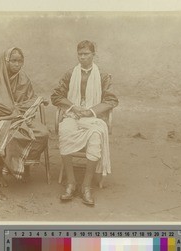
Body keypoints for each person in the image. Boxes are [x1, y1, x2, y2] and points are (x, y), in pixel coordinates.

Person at [0, 47, 49, 199]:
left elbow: (29, 99)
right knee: (0, 135)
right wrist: (8, 108)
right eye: (13, 60)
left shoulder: (24, 79)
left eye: (20, 61)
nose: (17, 64)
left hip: (20, 117)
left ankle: (25, 166)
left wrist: (28, 106)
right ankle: (2, 170)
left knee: (42, 133)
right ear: (6, 61)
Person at [51, 40, 118, 206]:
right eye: (80, 54)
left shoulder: (102, 75)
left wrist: (91, 111)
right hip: (73, 115)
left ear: (93, 55)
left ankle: (86, 186)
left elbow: (111, 100)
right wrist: (73, 107)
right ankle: (71, 183)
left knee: (95, 136)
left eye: (86, 54)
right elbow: (56, 96)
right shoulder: (70, 74)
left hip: (93, 117)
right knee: (65, 131)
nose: (82, 57)